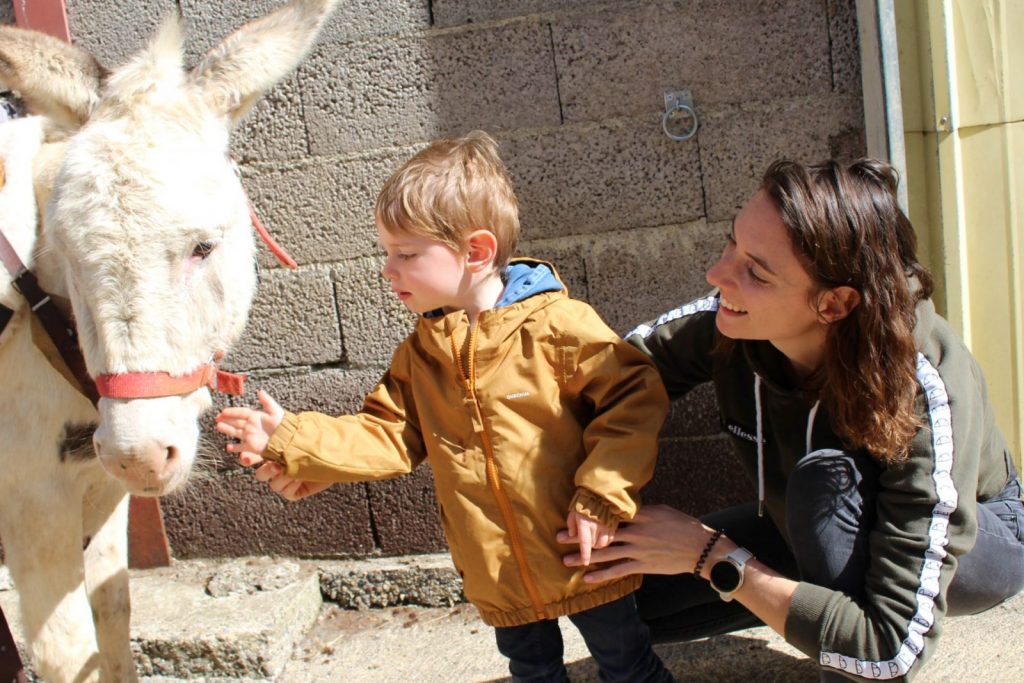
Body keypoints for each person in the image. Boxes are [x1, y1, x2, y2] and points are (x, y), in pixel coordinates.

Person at [216, 131, 675, 682]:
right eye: (388, 252)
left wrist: (601, 497)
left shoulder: (557, 326)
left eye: (406, 254)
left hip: (584, 553)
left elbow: (633, 398)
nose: (389, 270)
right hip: (497, 570)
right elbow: (387, 435)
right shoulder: (421, 355)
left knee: (627, 666)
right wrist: (295, 441)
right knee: (533, 672)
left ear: (475, 252)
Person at [559, 158, 1024, 682]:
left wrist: (711, 555)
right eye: (732, 244)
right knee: (615, 589)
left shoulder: (920, 384)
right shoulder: (730, 324)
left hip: (982, 542)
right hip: (803, 523)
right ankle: (819, 606)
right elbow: (610, 377)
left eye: (756, 271)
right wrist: (593, 490)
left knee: (825, 487)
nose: (718, 275)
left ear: (834, 303)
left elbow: (893, 645)